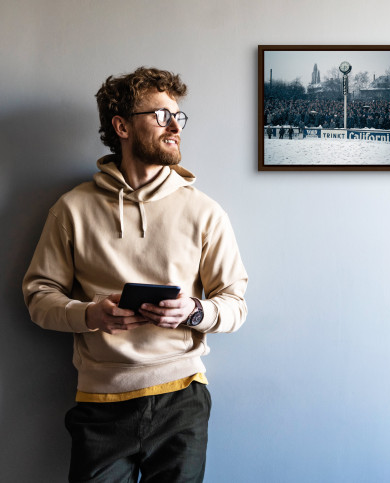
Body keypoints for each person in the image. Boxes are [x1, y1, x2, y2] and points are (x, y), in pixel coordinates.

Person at [22, 67, 248, 482]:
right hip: (99, 402)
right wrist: (90, 315)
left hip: (182, 399)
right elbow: (38, 296)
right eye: (161, 115)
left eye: (178, 116)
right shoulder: (71, 209)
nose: (174, 125)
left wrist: (193, 312)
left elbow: (235, 304)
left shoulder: (205, 212)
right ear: (122, 126)